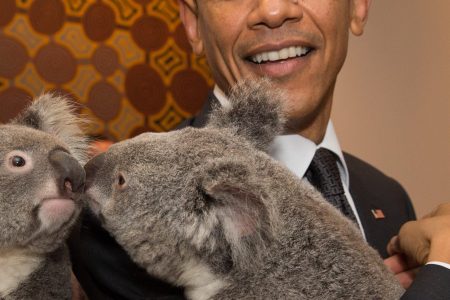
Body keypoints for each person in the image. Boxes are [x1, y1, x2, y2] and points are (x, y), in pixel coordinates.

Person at [70, 0, 450, 299]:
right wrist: (441, 274)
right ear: (193, 23)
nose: (273, 10)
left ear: (359, 6)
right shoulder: (123, 212)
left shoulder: (386, 195)